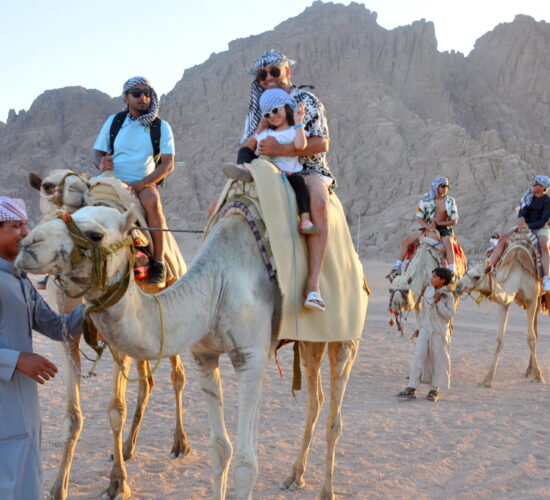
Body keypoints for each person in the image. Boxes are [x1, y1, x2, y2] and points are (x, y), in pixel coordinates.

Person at [0, 196, 84, 499]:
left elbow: (56, 326)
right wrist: (16, 359)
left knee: (23, 477)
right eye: (15, 226)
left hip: (22, 409)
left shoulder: (19, 280)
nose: (25, 233)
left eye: (25, 224)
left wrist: (97, 305)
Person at [239, 50, 333, 311]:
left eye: (274, 72)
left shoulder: (305, 100)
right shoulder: (258, 108)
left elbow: (321, 142)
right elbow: (248, 144)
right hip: (267, 168)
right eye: (262, 75)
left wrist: (281, 149)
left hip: (307, 168)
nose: (268, 78)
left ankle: (313, 286)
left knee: (320, 203)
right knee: (223, 203)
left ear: (287, 72)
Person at [93, 76, 176, 284]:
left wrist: (142, 184)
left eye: (147, 94)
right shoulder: (114, 122)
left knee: (152, 202)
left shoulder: (160, 126)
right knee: (78, 199)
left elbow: (168, 164)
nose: (143, 98)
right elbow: (97, 152)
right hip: (111, 180)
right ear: (126, 98)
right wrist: (101, 163)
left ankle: (158, 264)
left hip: (143, 183)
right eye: (137, 94)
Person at [224, 88, 318, 235]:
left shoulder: (294, 130)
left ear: (286, 107)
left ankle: (305, 219)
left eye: (275, 110)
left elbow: (301, 146)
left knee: (300, 183)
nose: (272, 116)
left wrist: (299, 121)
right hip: (269, 172)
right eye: (267, 114)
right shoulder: (266, 133)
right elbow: (250, 147)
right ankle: (244, 169)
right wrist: (260, 129)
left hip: (288, 174)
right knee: (244, 151)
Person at [396, 267, 455, 402]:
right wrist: (419, 327)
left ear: (442, 280)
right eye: (432, 276)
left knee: (438, 359)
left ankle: (435, 389)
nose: (432, 279)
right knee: (418, 356)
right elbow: (423, 311)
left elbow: (449, 315)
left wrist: (438, 302)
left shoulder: (448, 295)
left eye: (435, 277)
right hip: (425, 330)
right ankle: (411, 387)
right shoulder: (428, 291)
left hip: (439, 333)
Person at [387, 176, 458, 280]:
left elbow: (454, 220)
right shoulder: (425, 199)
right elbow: (419, 217)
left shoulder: (450, 201)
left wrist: (440, 223)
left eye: (447, 186)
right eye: (443, 186)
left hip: (443, 227)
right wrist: (428, 226)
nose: (445, 188)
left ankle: (451, 272)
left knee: (448, 243)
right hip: (428, 226)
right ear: (436, 186)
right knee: (407, 240)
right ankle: (397, 268)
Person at [489, 175, 550, 291]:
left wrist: (529, 225)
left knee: (543, 245)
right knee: (503, 238)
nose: (534, 185)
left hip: (540, 227)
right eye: (534, 183)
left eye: (537, 184)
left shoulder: (548, 201)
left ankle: (547, 278)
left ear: (543, 188)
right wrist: (521, 218)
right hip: (525, 225)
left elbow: (543, 220)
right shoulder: (528, 195)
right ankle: (490, 267)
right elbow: (523, 209)